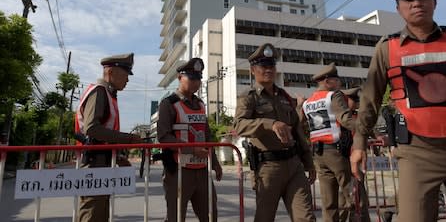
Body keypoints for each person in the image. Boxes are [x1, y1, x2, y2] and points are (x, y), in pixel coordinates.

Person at [350, 0, 446, 222]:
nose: (416, 3)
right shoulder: (387, 48)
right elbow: (370, 99)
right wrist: (358, 143)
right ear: (398, 8)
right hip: (417, 154)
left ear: (435, 1)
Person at [234, 43, 316, 222]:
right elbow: (239, 125)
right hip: (268, 168)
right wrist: (270, 124)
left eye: (271, 65)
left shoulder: (284, 96)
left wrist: (308, 162)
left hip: (294, 166)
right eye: (263, 66)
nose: (268, 70)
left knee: (306, 218)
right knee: (265, 218)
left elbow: (297, 131)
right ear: (252, 70)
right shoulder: (249, 97)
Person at [75, 53, 143, 222]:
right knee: (92, 213)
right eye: (125, 74)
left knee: (100, 212)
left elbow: (105, 133)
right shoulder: (99, 92)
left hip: (102, 162)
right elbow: (91, 129)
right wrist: (128, 139)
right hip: (93, 163)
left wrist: (118, 156)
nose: (127, 80)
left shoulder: (108, 94)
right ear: (111, 72)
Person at [156, 57, 223, 222]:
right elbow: (164, 137)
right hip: (179, 171)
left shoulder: (200, 104)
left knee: (210, 215)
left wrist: (214, 162)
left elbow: (207, 136)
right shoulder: (168, 104)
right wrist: (191, 149)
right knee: (176, 217)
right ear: (180, 78)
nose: (196, 82)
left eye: (199, 78)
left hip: (201, 170)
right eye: (192, 78)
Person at [299, 63, 355, 222]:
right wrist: (365, 130)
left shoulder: (307, 102)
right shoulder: (333, 95)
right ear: (328, 81)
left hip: (318, 155)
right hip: (336, 153)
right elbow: (345, 119)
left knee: (328, 201)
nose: (340, 84)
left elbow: (300, 125)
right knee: (352, 195)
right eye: (337, 80)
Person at [341, 87, 371, 222]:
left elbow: (367, 130)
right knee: (345, 200)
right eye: (354, 99)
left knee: (359, 197)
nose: (357, 102)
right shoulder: (339, 117)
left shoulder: (357, 116)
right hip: (342, 162)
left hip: (356, 162)